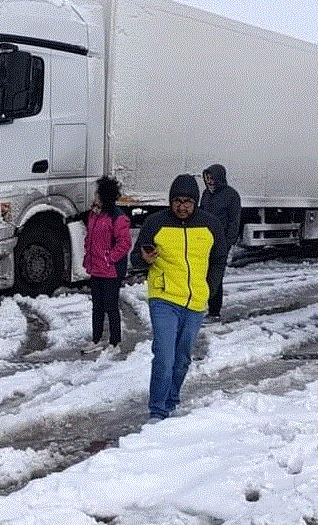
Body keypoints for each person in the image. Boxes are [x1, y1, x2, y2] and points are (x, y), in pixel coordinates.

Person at [131, 174, 226, 423]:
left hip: (195, 301)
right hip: (163, 297)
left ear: (195, 202)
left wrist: (210, 288)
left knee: (182, 358)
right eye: (177, 201)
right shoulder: (155, 223)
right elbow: (136, 257)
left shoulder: (210, 225)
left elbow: (218, 260)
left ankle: (171, 400)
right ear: (170, 201)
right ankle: (158, 410)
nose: (182, 206)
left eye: (187, 201)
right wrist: (144, 260)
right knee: (164, 354)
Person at [79, 176, 131, 355]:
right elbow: (90, 239)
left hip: (110, 271)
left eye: (97, 193)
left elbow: (124, 244)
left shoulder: (117, 217)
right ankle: (96, 339)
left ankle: (115, 342)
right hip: (96, 270)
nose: (94, 196)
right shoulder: (94, 213)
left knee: (111, 306)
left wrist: (109, 259)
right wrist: (89, 259)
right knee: (97, 307)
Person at [200, 163, 241, 319]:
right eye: (207, 178)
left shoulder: (231, 195)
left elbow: (234, 221)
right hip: (204, 241)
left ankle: (214, 311)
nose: (210, 181)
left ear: (220, 178)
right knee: (202, 274)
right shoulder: (206, 194)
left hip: (220, 243)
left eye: (212, 178)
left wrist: (228, 242)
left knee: (215, 277)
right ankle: (201, 307)